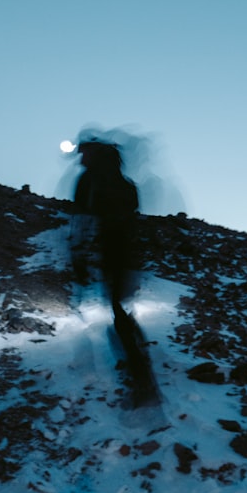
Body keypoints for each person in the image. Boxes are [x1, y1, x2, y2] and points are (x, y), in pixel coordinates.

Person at [70, 138, 157, 405]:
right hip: (129, 253)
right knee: (121, 308)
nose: (80, 158)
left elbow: (82, 220)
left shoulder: (89, 180)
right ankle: (140, 357)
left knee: (117, 312)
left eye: (82, 153)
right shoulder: (126, 183)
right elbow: (134, 218)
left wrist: (80, 259)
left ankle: (143, 383)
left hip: (110, 252)